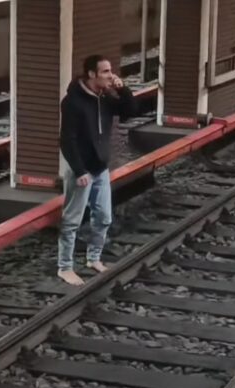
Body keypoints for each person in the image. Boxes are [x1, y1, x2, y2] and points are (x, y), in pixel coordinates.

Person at [57, 54, 137, 285]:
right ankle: (65, 267)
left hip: (100, 168)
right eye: (105, 71)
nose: (111, 76)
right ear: (92, 74)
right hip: (81, 170)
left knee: (103, 217)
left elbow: (131, 111)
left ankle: (93, 258)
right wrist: (79, 170)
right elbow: (67, 140)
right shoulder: (73, 102)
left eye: (110, 71)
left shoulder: (106, 97)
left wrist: (123, 90)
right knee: (72, 221)